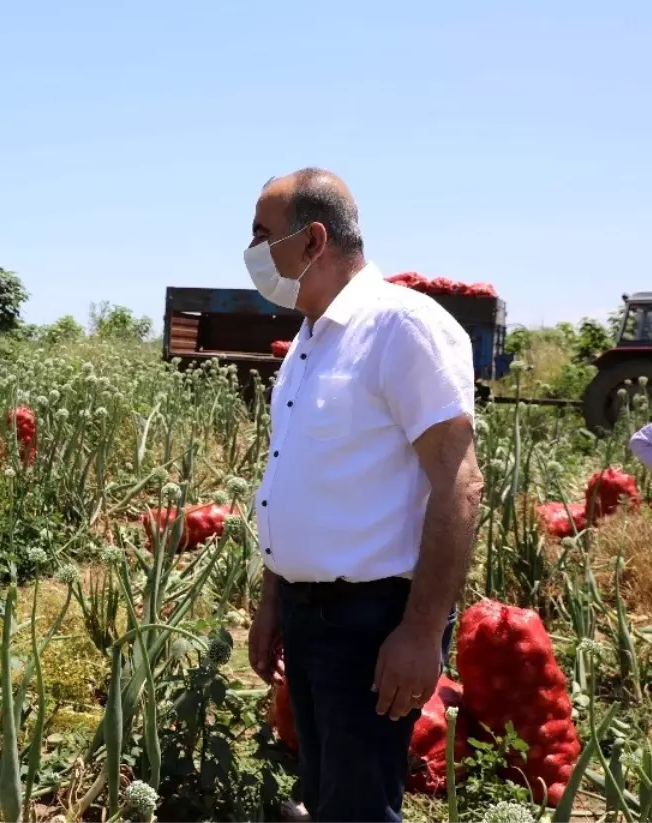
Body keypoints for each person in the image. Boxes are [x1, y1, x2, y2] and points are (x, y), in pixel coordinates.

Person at [243, 169, 485, 822]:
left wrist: (421, 630)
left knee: (357, 806)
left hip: (369, 623)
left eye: (263, 235)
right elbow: (296, 477)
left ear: (313, 240)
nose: (252, 252)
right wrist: (272, 600)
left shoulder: (402, 328)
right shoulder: (310, 341)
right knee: (326, 791)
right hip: (308, 614)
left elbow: (459, 487)